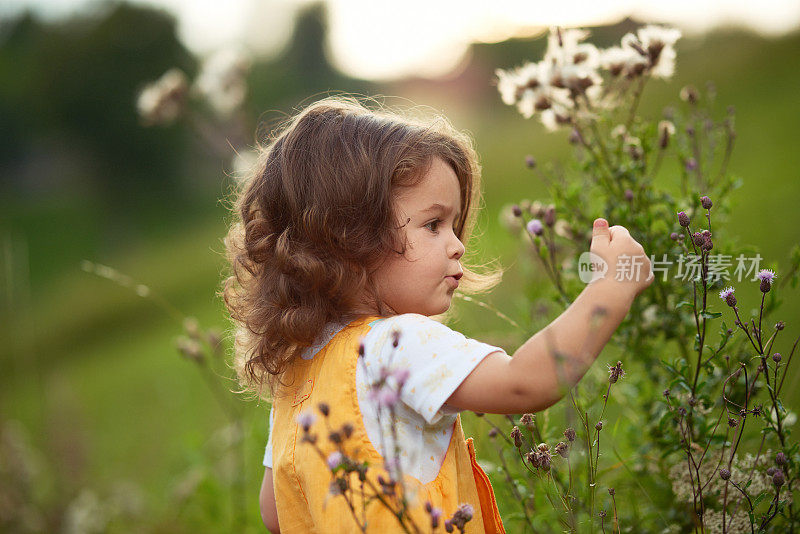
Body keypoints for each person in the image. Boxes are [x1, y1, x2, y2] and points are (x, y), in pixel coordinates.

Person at [221, 95, 654, 533]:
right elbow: (525, 383)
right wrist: (611, 288)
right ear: (349, 237)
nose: (458, 244)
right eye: (433, 225)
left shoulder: (296, 377)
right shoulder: (395, 344)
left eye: (454, 224)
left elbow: (275, 512)